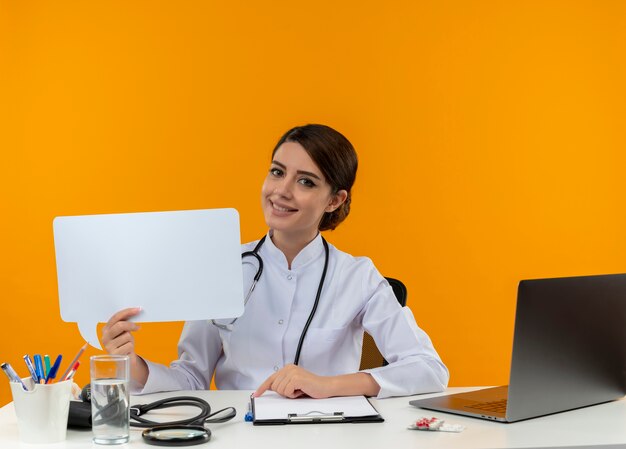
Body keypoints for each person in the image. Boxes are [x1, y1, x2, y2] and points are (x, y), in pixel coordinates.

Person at [102, 124, 449, 399]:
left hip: (328, 435)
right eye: (277, 172)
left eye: (305, 182)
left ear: (334, 200)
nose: (281, 191)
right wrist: (134, 366)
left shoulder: (357, 277)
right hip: (239, 433)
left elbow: (429, 369)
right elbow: (191, 377)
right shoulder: (220, 267)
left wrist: (327, 385)